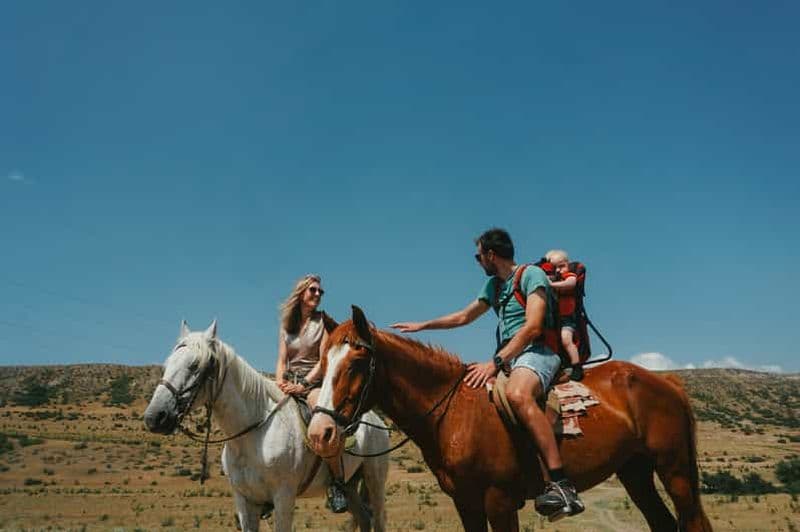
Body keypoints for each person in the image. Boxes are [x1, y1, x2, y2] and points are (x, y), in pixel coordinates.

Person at [391, 228, 584, 520]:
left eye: (478, 255)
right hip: (511, 358)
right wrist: (422, 326)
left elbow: (533, 326)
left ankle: (560, 484)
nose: (478, 261)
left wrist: (495, 362)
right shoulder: (494, 287)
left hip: (539, 352)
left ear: (491, 255)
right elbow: (463, 316)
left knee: (518, 395)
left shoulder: (531, 275)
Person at [277, 274, 348, 513]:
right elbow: (281, 359)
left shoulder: (322, 322)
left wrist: (304, 385)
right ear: (301, 294)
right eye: (313, 291)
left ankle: (337, 482)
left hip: (314, 384)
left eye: (320, 292)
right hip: (288, 382)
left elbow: (322, 360)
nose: (317, 295)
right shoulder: (287, 325)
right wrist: (279, 381)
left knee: (323, 419)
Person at [544, 249, 583, 381]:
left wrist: (551, 285)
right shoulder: (554, 277)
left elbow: (571, 283)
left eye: (562, 266)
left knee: (566, 339)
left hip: (567, 319)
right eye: (555, 268)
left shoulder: (569, 275)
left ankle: (577, 366)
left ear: (568, 264)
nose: (559, 270)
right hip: (555, 320)